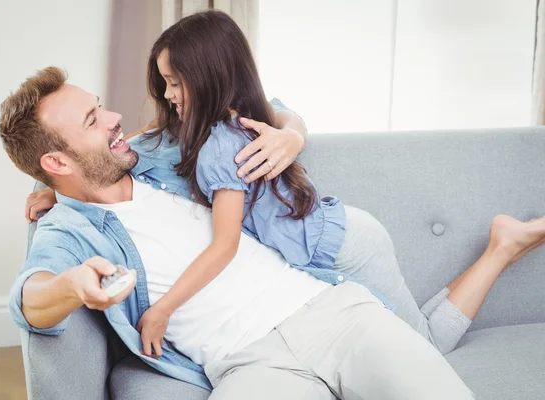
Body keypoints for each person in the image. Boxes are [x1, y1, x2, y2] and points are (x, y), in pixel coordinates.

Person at [27, 10, 545, 357]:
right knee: (414, 341)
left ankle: (501, 248)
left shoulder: (235, 130)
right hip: (309, 256)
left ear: (204, 78)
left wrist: (291, 134)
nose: (166, 94)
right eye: (163, 82)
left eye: (176, 83)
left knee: (427, 351)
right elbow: (100, 163)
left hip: (342, 247)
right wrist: (52, 189)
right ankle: (501, 245)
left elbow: (276, 111)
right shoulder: (167, 141)